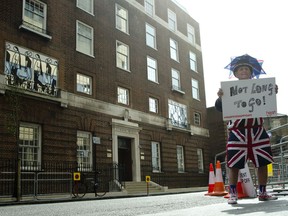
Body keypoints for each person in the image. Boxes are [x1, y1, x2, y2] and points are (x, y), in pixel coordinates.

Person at [215, 54, 278, 205]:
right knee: (234, 164)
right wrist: (220, 97)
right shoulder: (228, 90)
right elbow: (219, 108)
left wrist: (271, 92)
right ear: (235, 73)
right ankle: (233, 193)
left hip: (257, 130)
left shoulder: (261, 88)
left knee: (262, 162)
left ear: (251, 72)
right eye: (240, 69)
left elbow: (268, 104)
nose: (243, 71)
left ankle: (262, 191)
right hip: (237, 131)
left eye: (246, 69)